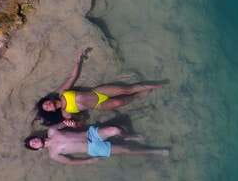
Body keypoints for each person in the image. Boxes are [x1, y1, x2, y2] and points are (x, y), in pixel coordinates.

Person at [35, 48, 165, 126]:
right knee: (120, 101)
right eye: (46, 108)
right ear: (51, 112)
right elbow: (82, 121)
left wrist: (78, 60)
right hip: (98, 105)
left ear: (48, 100)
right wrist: (74, 124)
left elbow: (72, 77)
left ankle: (159, 84)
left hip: (97, 92)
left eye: (45, 103)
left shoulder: (62, 93)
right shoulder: (65, 113)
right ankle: (137, 96)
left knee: (126, 89)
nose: (47, 105)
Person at [24, 122, 169, 165]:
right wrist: (88, 161)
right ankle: (154, 151)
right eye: (34, 145)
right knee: (127, 151)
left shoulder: (51, 131)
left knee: (116, 129)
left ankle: (129, 136)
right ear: (37, 149)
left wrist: (71, 123)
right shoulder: (53, 154)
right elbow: (70, 162)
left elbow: (64, 123)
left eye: (33, 140)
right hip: (93, 148)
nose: (35, 142)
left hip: (90, 134)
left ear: (36, 137)